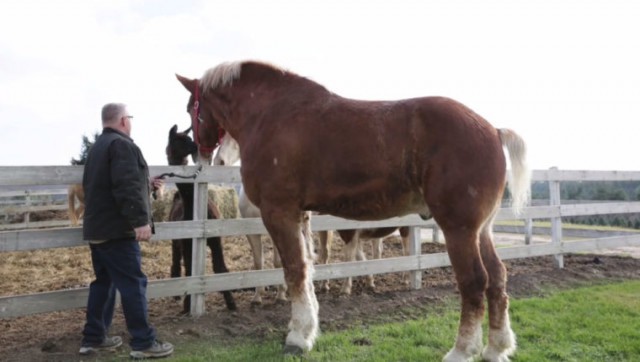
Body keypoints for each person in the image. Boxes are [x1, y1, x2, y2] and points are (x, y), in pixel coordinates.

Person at [79, 103, 173, 359]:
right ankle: (143, 342)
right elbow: (126, 187)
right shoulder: (122, 145)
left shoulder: (99, 147)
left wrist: (147, 183)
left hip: (97, 229)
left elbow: (113, 183)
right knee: (133, 284)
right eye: (129, 118)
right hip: (117, 231)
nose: (130, 122)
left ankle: (93, 339)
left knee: (104, 284)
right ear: (123, 120)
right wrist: (140, 221)